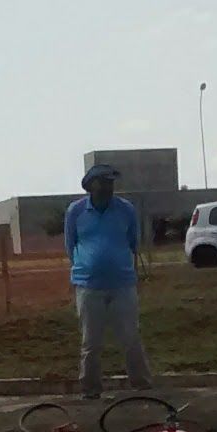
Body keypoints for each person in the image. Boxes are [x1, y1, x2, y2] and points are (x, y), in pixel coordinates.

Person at [64, 163, 154, 399]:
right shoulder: (76, 211)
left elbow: (133, 241)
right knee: (90, 342)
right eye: (102, 183)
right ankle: (90, 390)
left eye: (111, 183)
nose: (108, 187)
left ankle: (142, 385)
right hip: (88, 285)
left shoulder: (126, 210)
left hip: (123, 283)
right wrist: (85, 264)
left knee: (131, 337)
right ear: (91, 185)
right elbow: (70, 243)